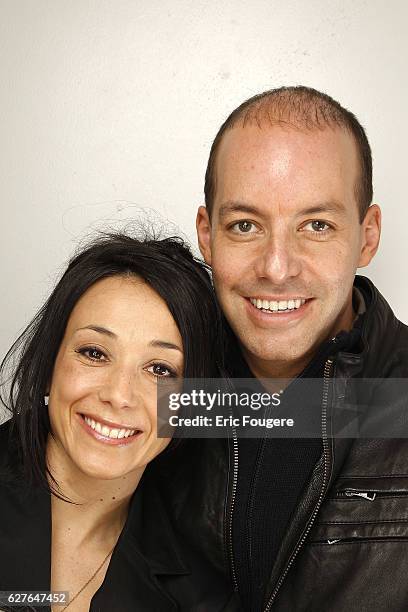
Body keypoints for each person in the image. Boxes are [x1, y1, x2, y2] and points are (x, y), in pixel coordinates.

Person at [156, 86, 408, 612]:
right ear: (207, 235)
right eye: (245, 225)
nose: (276, 268)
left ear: (367, 235)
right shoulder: (159, 385)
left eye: (317, 225)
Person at [0, 232, 239, 612]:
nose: (119, 394)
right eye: (94, 353)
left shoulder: (205, 592)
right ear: (50, 362)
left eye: (160, 370)